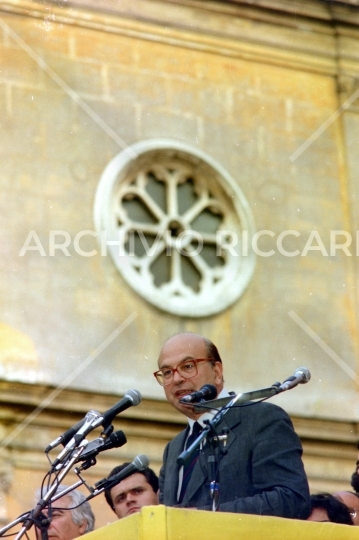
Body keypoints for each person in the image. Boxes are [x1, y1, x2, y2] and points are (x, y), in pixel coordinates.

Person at [154, 332, 311, 518]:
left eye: (188, 367)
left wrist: (202, 516)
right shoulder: (173, 449)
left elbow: (291, 499)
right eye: (167, 373)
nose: (177, 379)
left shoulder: (262, 419)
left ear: (217, 372)